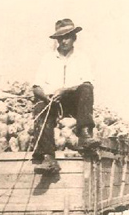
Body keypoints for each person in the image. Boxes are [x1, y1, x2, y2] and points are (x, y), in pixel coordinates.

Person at [32, 18, 96, 174]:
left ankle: (85, 133)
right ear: (57, 40)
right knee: (40, 107)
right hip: (52, 101)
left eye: (67, 36)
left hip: (74, 103)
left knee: (86, 88)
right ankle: (49, 158)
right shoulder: (47, 58)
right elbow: (36, 87)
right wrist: (47, 97)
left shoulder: (82, 57)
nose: (64, 41)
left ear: (74, 38)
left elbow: (87, 82)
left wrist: (65, 90)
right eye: (61, 38)